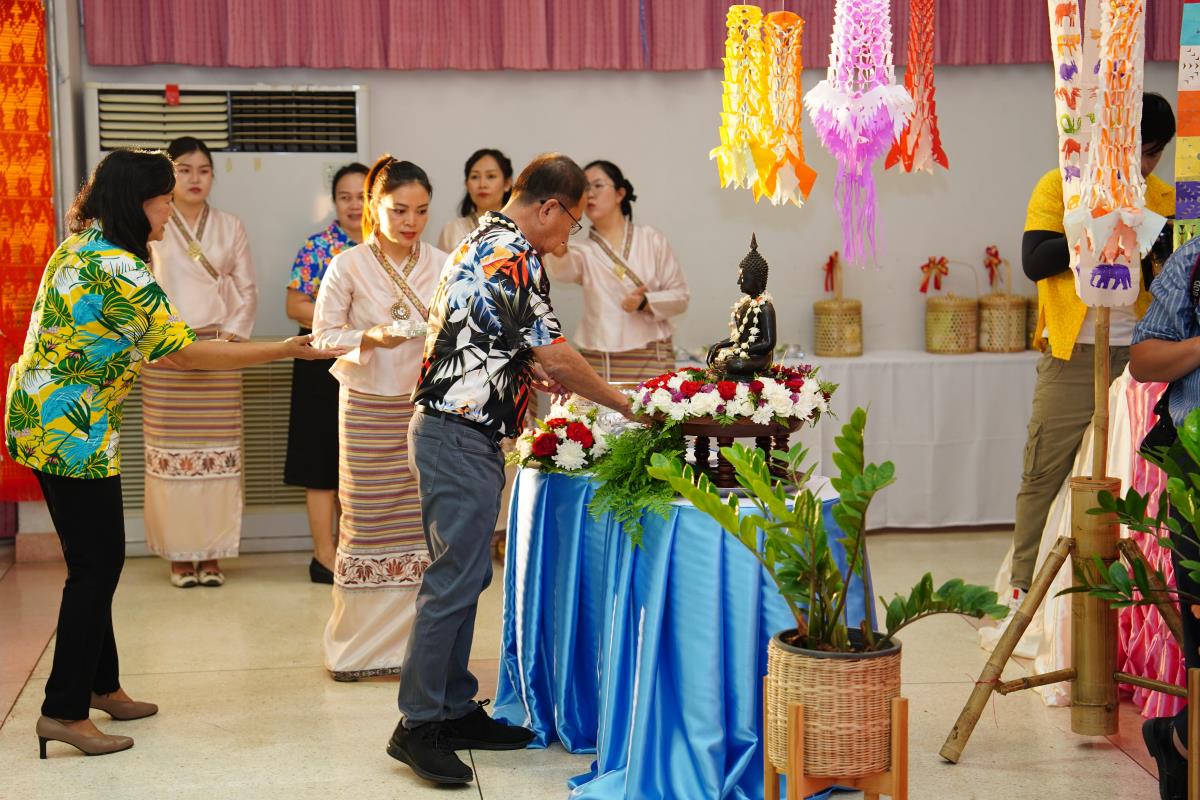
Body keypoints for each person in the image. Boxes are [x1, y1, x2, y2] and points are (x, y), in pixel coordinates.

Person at [3, 149, 341, 759]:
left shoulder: (80, 245)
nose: (169, 211)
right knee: (96, 568)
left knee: (91, 562)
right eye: (163, 201)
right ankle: (63, 711)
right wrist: (284, 349)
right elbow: (184, 355)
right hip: (70, 431)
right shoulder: (120, 268)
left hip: (38, 414)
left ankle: (102, 685)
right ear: (138, 203)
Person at [387, 154, 639, 785]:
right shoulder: (512, 254)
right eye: (571, 224)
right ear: (549, 207)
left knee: (467, 575)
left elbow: (493, 339)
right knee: (452, 580)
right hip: (456, 434)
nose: (567, 240)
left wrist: (533, 376)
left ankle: (451, 707)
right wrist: (628, 405)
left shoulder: (484, 241)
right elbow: (556, 353)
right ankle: (418, 724)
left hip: (459, 432)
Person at [1004, 93, 1176, 618]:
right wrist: (1097, 224)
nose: (1144, 164)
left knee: (1136, 472)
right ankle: (1022, 588)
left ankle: (1132, 600)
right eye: (1137, 150)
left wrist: (1151, 232)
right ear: (1111, 141)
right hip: (1073, 352)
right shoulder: (1059, 186)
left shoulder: (1164, 197)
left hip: (1143, 355)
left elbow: (1174, 273)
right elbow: (1035, 261)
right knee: (1043, 470)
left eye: (1153, 154)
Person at [312, 156, 447, 680]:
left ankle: (415, 650)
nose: (411, 221)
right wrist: (369, 336)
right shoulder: (347, 265)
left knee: (420, 523)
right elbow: (323, 337)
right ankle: (357, 651)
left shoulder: (444, 262)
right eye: (399, 210)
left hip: (425, 407)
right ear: (374, 205)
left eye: (421, 210)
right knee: (367, 520)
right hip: (367, 404)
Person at [141, 136, 259, 588]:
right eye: (184, 170)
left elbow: (246, 288)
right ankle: (178, 556)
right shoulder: (153, 221)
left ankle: (211, 554)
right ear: (169, 175)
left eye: (204, 170)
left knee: (219, 455)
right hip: (166, 352)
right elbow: (142, 284)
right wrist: (159, 339)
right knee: (170, 457)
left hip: (218, 349)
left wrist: (231, 338)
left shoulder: (230, 225)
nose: (195, 178)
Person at [1128, 233, 1200, 800]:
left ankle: (1176, 740)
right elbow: (1143, 359)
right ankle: (1180, 743)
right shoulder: (1193, 259)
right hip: (1196, 471)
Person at [284, 161, 368, 584]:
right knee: (321, 465)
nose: (354, 205)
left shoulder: (386, 248)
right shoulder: (318, 247)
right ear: (334, 201)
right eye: (344, 197)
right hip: (322, 364)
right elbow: (294, 305)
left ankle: (359, 553)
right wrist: (342, 321)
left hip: (375, 365)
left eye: (362, 196)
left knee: (363, 463)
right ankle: (324, 556)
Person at [544, 159, 689, 382]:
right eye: (584, 189)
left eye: (598, 185)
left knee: (653, 405)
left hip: (651, 354)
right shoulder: (582, 250)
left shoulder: (651, 239)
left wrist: (645, 302)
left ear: (620, 193)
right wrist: (558, 230)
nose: (590, 194)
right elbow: (563, 271)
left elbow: (680, 297)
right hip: (600, 358)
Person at [435, 148, 513, 253]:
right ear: (466, 184)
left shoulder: (522, 228)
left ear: (507, 183)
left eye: (491, 176)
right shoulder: (452, 230)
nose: (482, 184)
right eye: (475, 177)